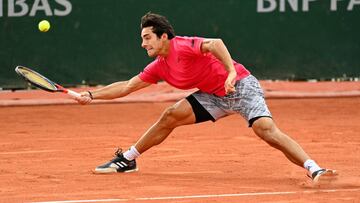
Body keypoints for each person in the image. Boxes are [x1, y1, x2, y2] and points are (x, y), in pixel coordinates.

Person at [76, 12, 336, 182]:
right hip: (213, 96)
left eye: (147, 38)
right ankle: (128, 159)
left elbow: (215, 43)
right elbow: (126, 86)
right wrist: (91, 94)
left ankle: (314, 169)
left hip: (240, 86)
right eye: (142, 39)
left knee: (265, 129)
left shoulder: (181, 45)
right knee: (171, 115)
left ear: (163, 36)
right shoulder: (159, 65)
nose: (143, 44)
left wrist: (231, 72)